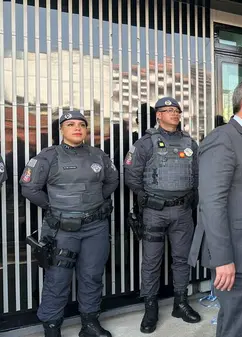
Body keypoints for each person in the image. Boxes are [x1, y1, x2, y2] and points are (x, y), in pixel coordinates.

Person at [188, 80, 242, 337]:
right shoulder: (223, 139)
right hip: (236, 253)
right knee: (238, 325)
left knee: (239, 321)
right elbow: (212, 202)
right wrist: (223, 259)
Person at [20, 111, 119, 337]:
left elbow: (112, 180)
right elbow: (29, 188)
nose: (77, 128)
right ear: (61, 130)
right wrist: (55, 207)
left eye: (81, 124)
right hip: (62, 230)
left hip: (96, 227)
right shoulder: (47, 157)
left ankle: (90, 323)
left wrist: (93, 203)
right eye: (70, 124)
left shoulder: (98, 155)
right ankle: (52, 328)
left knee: (92, 275)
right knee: (57, 279)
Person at [124, 97, 201, 334]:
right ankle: (150, 309)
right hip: (154, 212)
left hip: (182, 211)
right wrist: (147, 198)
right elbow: (131, 177)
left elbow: (197, 175)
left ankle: (180, 303)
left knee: (182, 258)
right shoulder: (145, 143)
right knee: (151, 261)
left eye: (177, 110)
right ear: (158, 115)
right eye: (168, 110)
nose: (174, 114)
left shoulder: (190, 142)